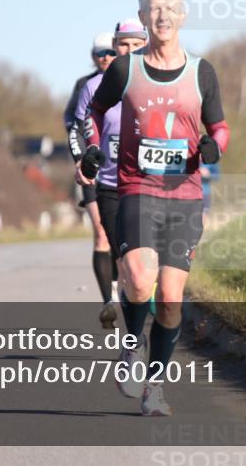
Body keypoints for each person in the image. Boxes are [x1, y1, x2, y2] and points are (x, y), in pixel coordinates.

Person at [78, 0, 229, 417]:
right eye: (153, 9)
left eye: (170, 8)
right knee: (140, 281)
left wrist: (214, 146)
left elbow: (219, 127)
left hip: (183, 196)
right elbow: (93, 110)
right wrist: (91, 147)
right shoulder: (126, 70)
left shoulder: (202, 72)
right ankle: (131, 347)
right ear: (144, 18)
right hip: (137, 188)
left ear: (182, 16)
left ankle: (155, 387)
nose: (162, 15)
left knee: (169, 300)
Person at [73, 19, 148, 328]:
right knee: (114, 248)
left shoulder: (154, 81)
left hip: (146, 182)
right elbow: (80, 126)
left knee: (143, 261)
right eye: (121, 46)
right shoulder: (91, 86)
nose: (122, 52)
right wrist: (85, 157)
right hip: (104, 179)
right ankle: (116, 307)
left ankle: (143, 301)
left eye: (134, 45)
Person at [65, 33, 115, 319]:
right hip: (93, 169)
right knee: (101, 234)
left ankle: (123, 287)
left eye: (110, 51)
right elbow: (72, 125)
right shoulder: (84, 85)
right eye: (100, 53)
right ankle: (108, 301)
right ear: (93, 56)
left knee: (122, 236)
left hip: (123, 169)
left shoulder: (131, 80)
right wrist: (81, 161)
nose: (105, 57)